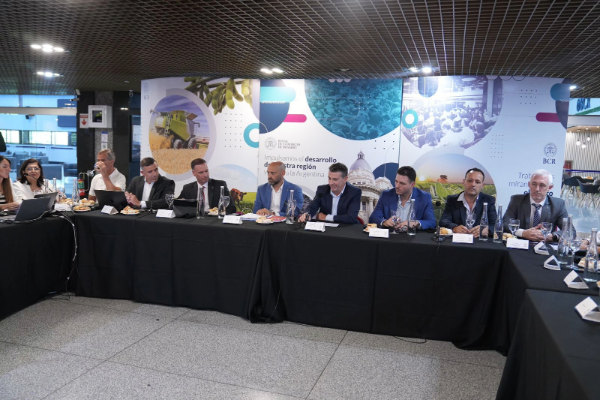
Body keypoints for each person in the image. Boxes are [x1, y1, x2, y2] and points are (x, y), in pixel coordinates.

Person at [503, 169, 571, 241]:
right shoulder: (516, 200)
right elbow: (504, 224)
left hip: (545, 245)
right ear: (529, 185)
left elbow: (569, 230)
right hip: (521, 244)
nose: (537, 189)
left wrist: (551, 236)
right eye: (534, 184)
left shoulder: (558, 204)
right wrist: (523, 233)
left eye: (542, 185)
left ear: (549, 187)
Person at [369, 166, 436, 230]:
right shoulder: (386, 195)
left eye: (402, 183)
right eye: (396, 181)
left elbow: (431, 222)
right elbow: (373, 218)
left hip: (413, 236)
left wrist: (415, 223)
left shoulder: (424, 197)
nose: (397, 186)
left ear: (412, 185)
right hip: (391, 235)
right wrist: (384, 222)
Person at [440, 168, 497, 238]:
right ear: (464, 182)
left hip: (479, 242)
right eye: (470, 181)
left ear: (482, 185)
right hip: (458, 241)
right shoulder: (452, 200)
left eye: (477, 182)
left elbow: (495, 224)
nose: (473, 184)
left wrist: (487, 230)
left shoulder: (489, 200)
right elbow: (444, 221)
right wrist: (454, 228)